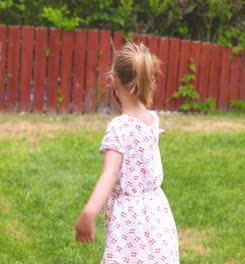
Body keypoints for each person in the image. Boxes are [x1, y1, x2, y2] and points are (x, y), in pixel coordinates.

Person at [73, 42, 180, 263]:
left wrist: (89, 213)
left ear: (113, 79)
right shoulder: (151, 118)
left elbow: (110, 174)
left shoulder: (119, 127)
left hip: (130, 218)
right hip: (156, 211)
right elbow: (142, 138)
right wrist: (154, 133)